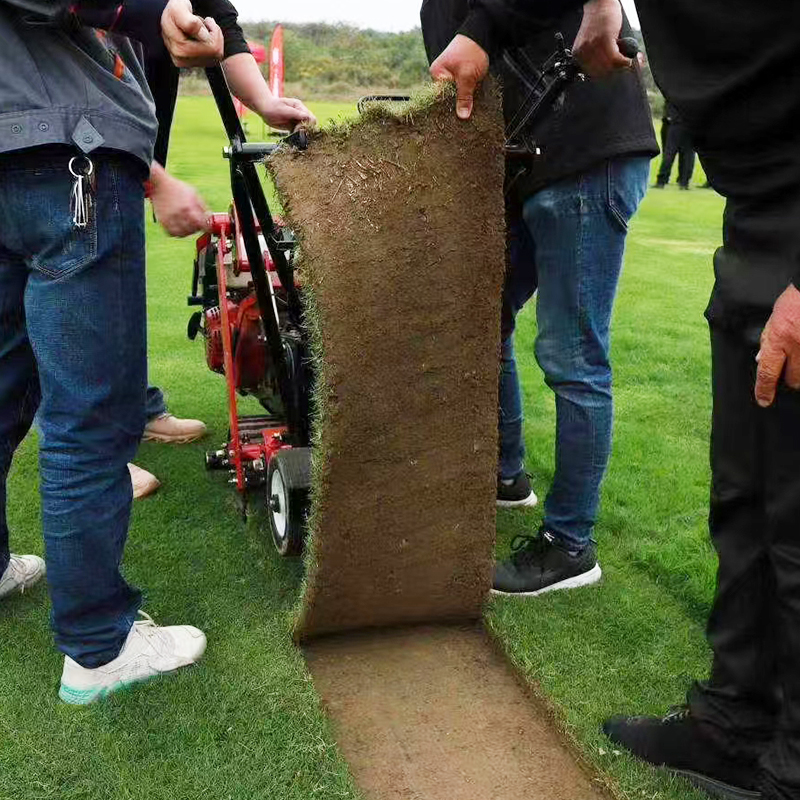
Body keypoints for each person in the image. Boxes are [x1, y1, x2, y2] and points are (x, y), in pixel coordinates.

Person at [430, 2, 800, 798]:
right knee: (745, 500)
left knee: (793, 515)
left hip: (722, 190)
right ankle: (733, 724)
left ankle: (571, 546)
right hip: (745, 202)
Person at [0, 0, 219, 704]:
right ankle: (98, 647)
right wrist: (151, 11)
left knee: (6, 392)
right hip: (71, 159)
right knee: (90, 420)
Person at [422, 0, 657, 596]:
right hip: (527, 170)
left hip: (583, 153)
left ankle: (570, 546)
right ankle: (505, 476)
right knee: (482, 319)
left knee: (573, 358)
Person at [654, 101, 695, 190]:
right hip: (690, 123)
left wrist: (670, 115)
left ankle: (662, 180)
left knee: (669, 152)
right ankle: (684, 182)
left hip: (675, 123)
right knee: (687, 155)